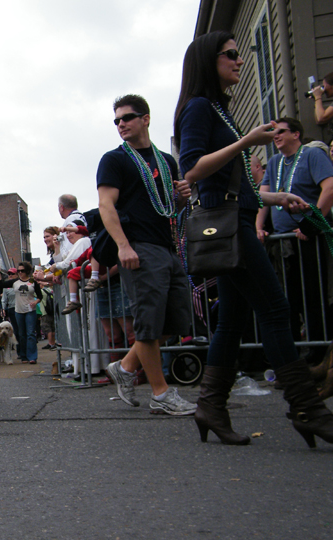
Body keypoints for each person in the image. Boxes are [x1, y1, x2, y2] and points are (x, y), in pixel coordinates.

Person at [174, 31, 329, 447]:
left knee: (232, 320)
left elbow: (231, 184)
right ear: (209, 61)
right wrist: (246, 142)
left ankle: (210, 406)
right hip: (230, 227)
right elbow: (192, 169)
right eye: (231, 54)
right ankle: (308, 410)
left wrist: (275, 197)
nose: (239, 60)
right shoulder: (199, 107)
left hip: (235, 218)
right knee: (275, 310)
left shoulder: (218, 109)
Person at [98, 94, 196, 417]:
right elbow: (106, 206)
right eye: (116, 120)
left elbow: (168, 207)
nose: (121, 124)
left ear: (146, 119)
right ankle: (161, 393)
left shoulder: (166, 161)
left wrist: (182, 198)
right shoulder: (114, 160)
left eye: (126, 118)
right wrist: (123, 245)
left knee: (175, 320)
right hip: (139, 247)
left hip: (167, 246)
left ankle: (126, 367)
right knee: (148, 324)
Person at [256, 117, 333, 361]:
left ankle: (320, 353)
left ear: (296, 134)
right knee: (288, 298)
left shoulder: (312, 155)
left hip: (309, 238)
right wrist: (258, 227)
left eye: (281, 131)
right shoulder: (275, 162)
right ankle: (292, 355)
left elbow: (330, 188)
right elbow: (263, 198)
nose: (275, 136)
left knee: (314, 296)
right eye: (273, 133)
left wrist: (313, 224)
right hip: (283, 242)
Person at [0, 262, 42, 364]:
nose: (20, 272)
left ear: (27, 271)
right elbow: (0, 284)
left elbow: (40, 296)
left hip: (30, 311)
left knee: (30, 333)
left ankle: (32, 357)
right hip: (18, 311)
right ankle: (23, 356)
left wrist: (35, 302)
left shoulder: (32, 281)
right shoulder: (15, 282)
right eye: (18, 271)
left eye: (22, 270)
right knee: (21, 334)